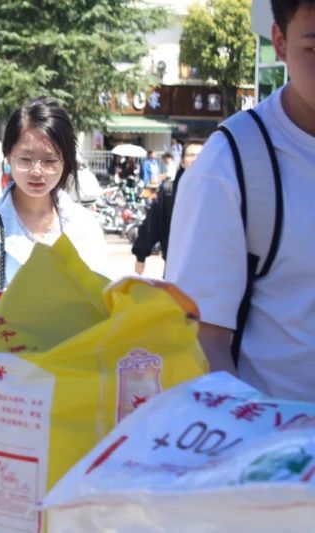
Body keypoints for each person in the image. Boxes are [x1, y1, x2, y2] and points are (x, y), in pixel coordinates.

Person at [165, 0, 315, 402]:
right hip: (276, 452)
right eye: (314, 49)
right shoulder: (234, 163)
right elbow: (199, 338)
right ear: (280, 42)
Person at [0, 97, 107, 289]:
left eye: (50, 161)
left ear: (66, 161)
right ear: (9, 156)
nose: (37, 171)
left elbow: (101, 293)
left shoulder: (84, 224)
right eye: (26, 159)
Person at [132, 142, 203, 274]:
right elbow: (153, 223)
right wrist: (140, 255)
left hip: (208, 265)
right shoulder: (169, 191)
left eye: (201, 155)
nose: (196, 159)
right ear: (182, 162)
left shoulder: (219, 192)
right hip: (176, 264)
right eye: (191, 155)